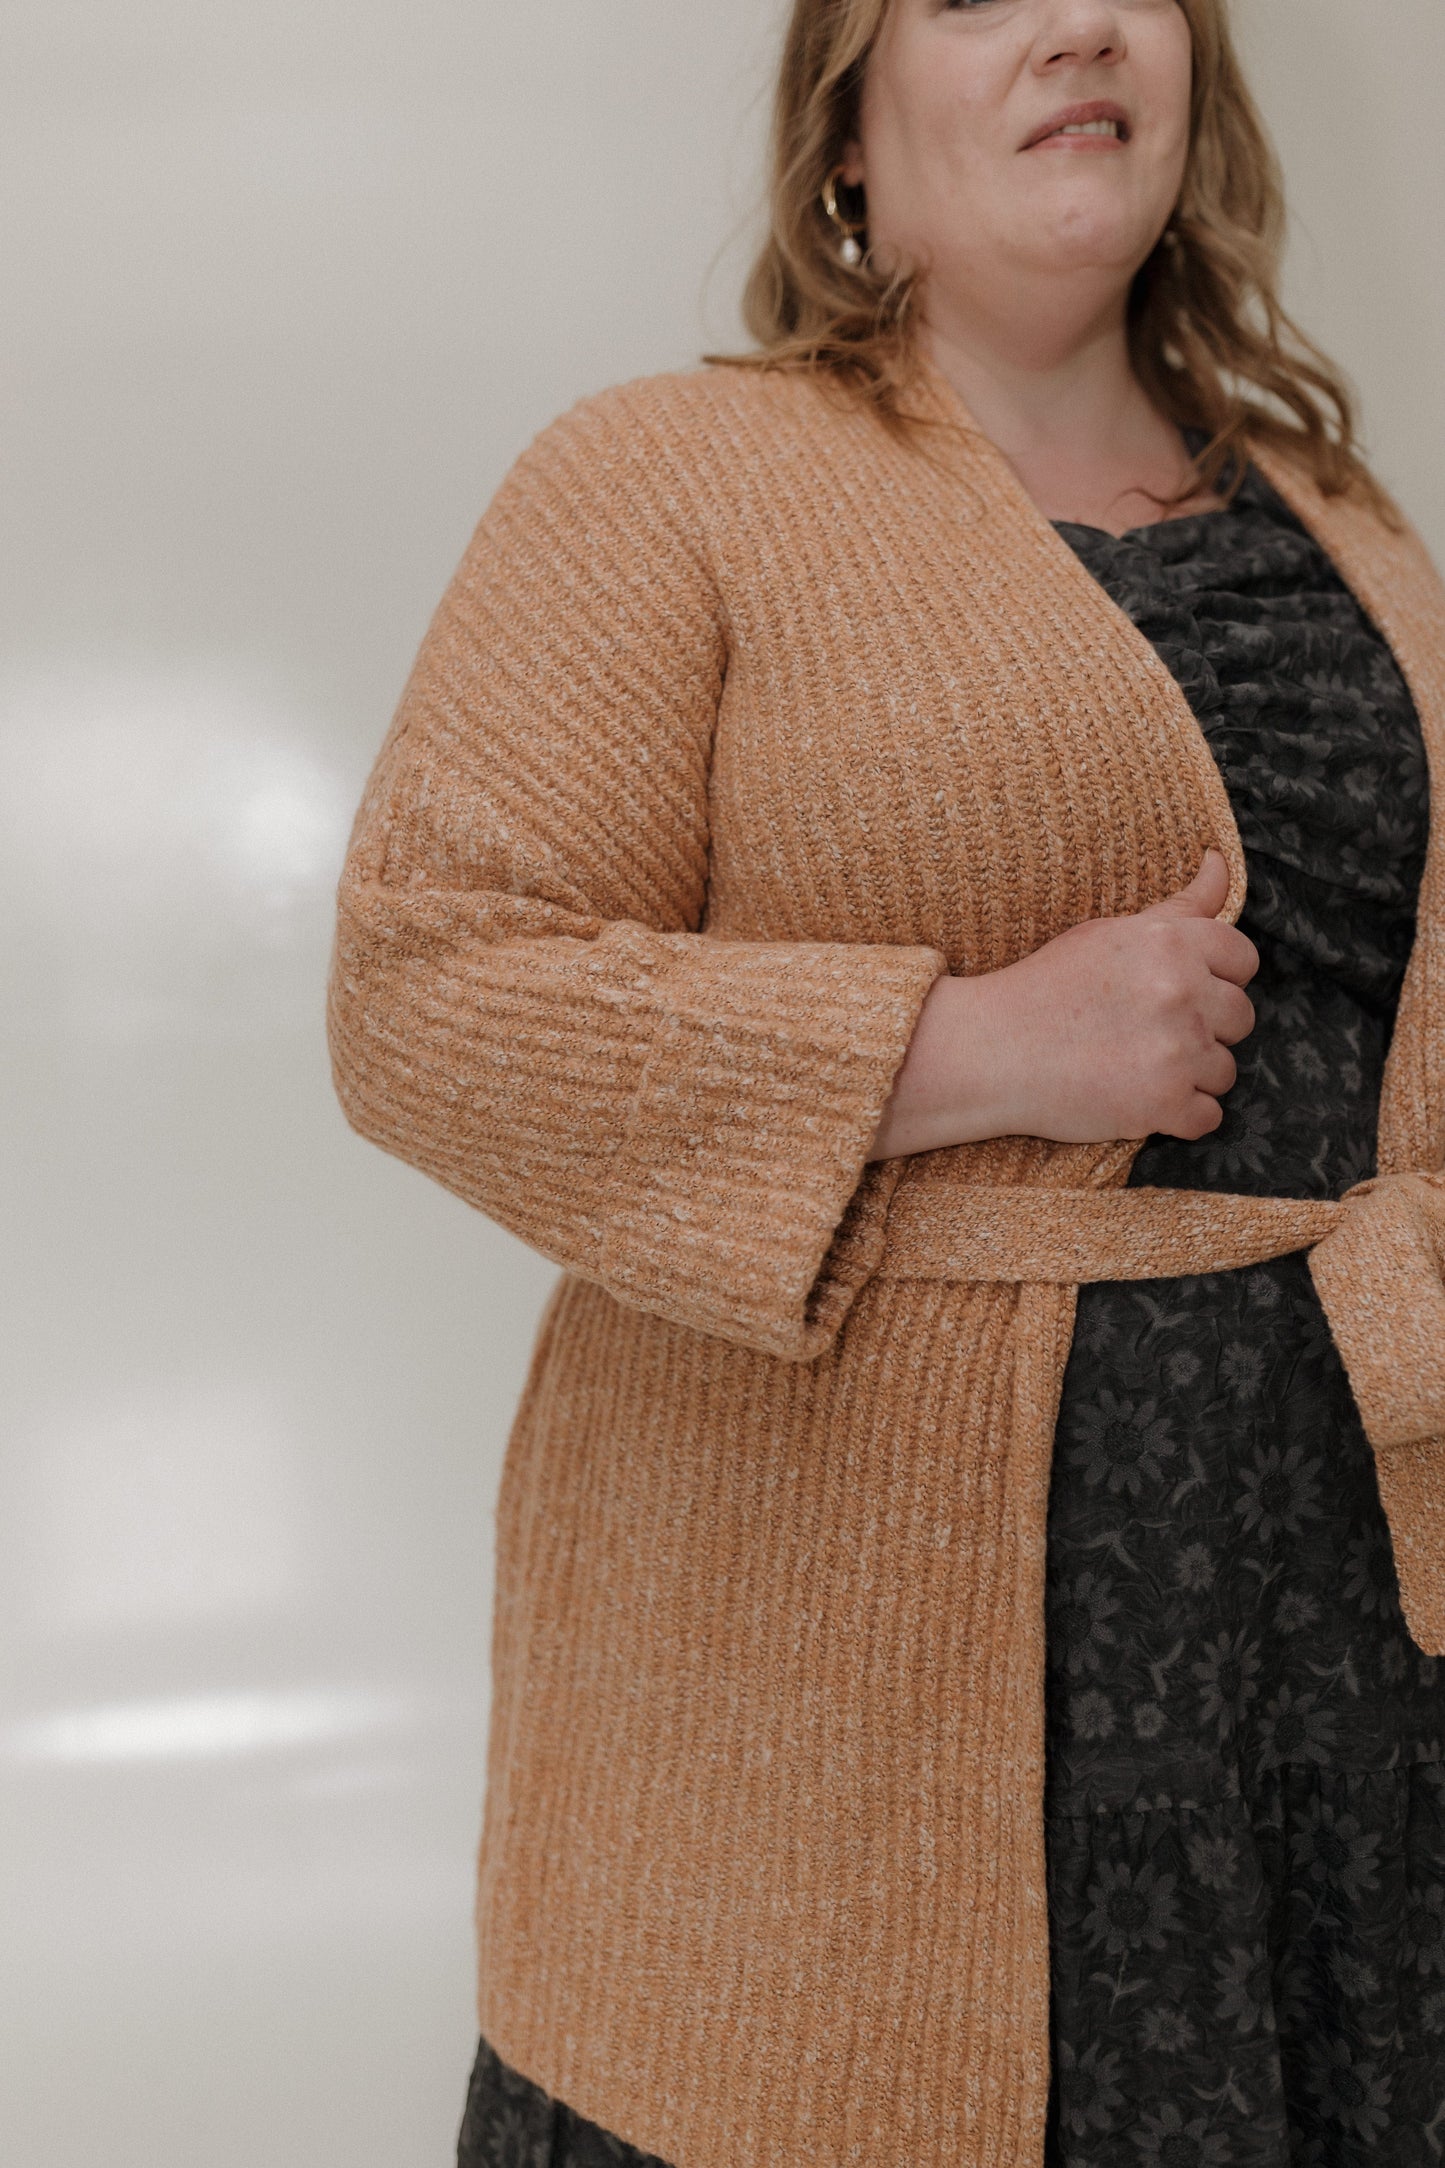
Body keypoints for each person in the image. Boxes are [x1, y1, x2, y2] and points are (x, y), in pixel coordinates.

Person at [326, 2, 1445, 2163]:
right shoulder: (670, 476)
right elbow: (425, 988)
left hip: (1338, 1661)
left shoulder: (1342, 508)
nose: (1081, 24)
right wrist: (967, 1045)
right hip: (855, 1694)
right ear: (843, 132)